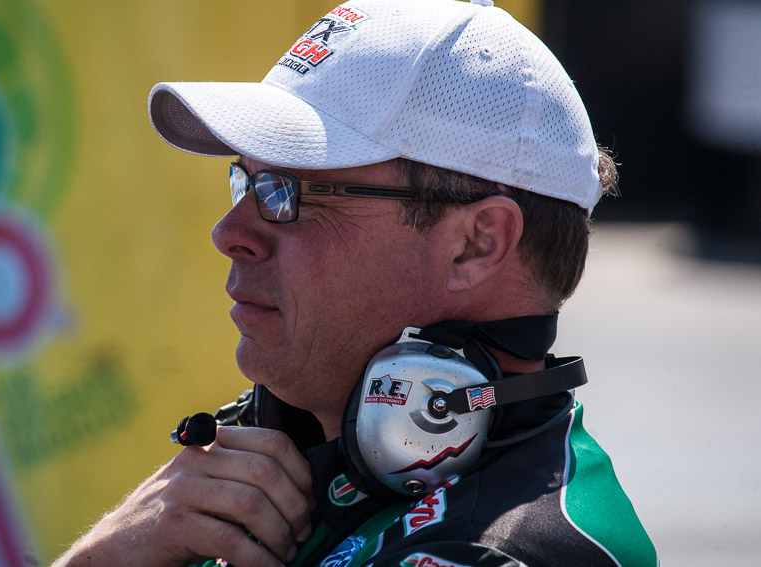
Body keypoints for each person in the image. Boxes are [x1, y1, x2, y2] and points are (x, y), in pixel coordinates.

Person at [54, 0, 658, 565]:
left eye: (288, 191)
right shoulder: (262, 460)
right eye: (247, 181)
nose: (230, 232)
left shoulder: (510, 550)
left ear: (477, 243)